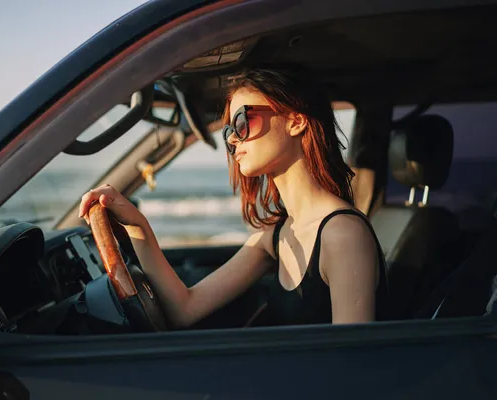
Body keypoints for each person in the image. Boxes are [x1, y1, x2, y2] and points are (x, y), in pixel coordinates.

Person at [79, 64, 389, 328]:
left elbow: (352, 366)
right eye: (229, 131)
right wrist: (138, 226)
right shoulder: (275, 236)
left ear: (296, 121)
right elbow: (185, 308)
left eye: (243, 122)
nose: (233, 140)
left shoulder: (342, 234)